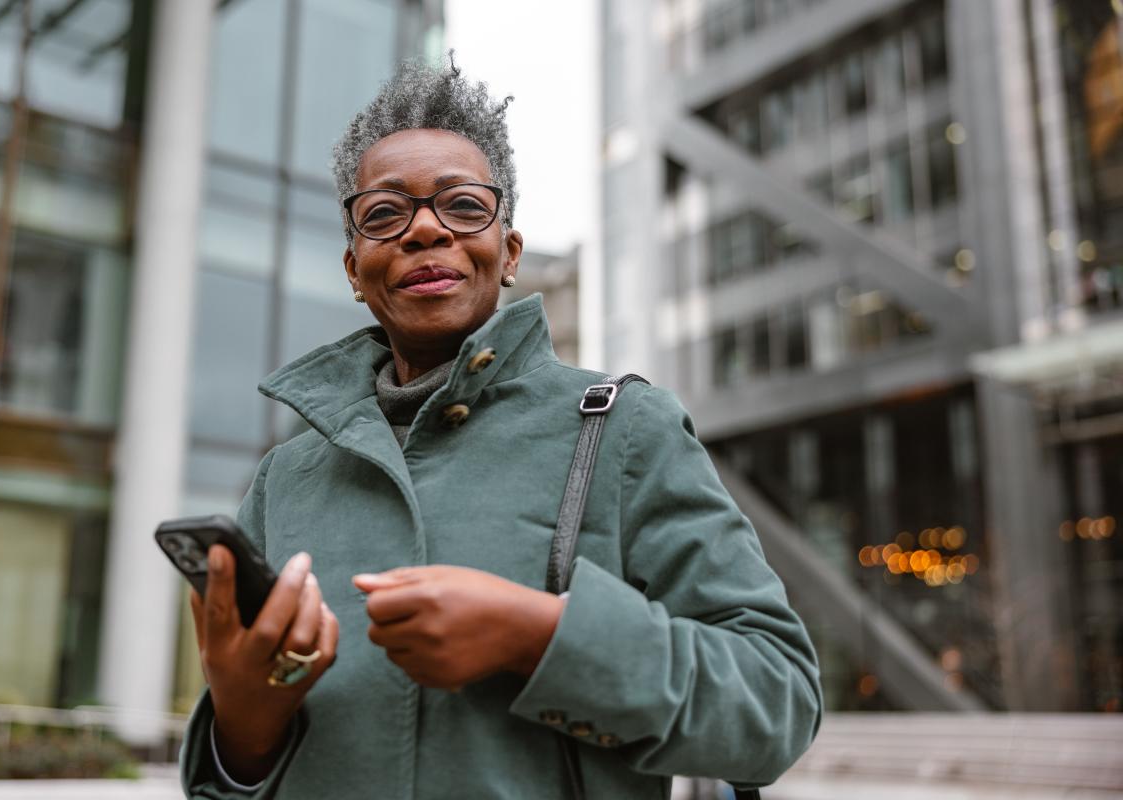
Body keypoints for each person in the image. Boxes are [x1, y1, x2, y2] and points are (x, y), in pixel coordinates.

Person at [180, 57, 822, 800]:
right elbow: (236, 773)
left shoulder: (624, 429)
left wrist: (539, 636)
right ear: (355, 269)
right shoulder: (286, 478)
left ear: (509, 253)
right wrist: (242, 730)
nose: (424, 228)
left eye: (462, 206)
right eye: (385, 214)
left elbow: (778, 702)